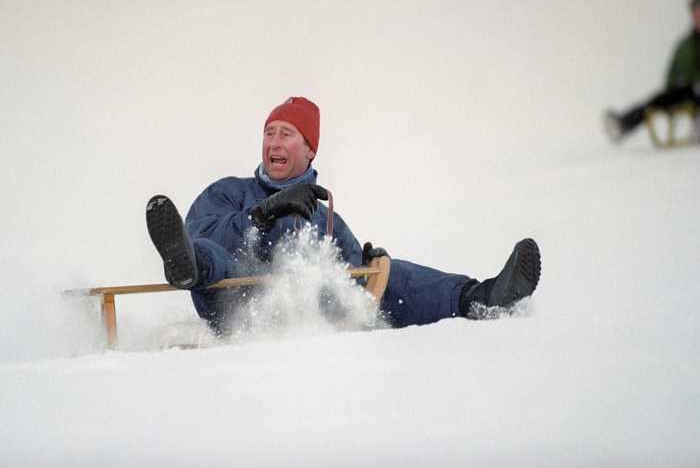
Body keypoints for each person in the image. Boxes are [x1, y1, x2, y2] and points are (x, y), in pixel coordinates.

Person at [146, 97, 542, 336]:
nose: (274, 142)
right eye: (269, 132)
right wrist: (262, 215)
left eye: (287, 134)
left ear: (309, 150)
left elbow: (353, 273)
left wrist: (372, 268)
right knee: (215, 256)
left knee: (389, 274)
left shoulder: (323, 216)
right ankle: (186, 267)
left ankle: (482, 298)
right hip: (234, 304)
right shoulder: (230, 192)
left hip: (305, 311)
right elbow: (204, 229)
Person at [605, 0, 700, 142]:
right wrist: (674, 85)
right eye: (696, 12)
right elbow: (673, 70)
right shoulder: (686, 45)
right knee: (657, 101)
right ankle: (624, 123)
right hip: (686, 91)